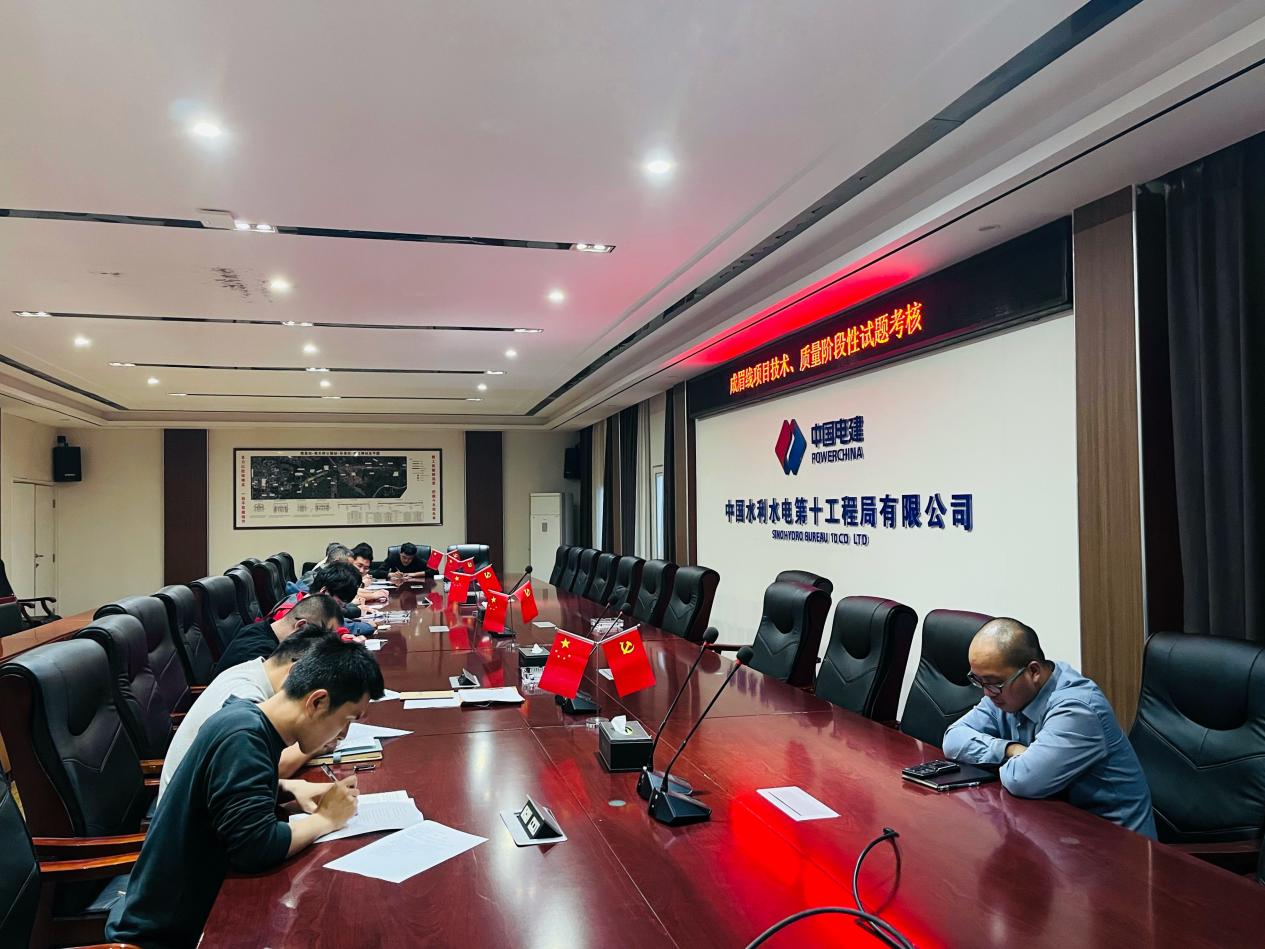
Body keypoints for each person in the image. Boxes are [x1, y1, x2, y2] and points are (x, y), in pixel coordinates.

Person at [106, 636, 385, 948]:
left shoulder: (246, 716)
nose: (343, 734)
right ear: (317, 702)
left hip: (193, 907)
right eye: (346, 720)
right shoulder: (243, 738)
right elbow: (256, 848)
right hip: (168, 933)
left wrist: (286, 793)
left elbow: (230, 793)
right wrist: (326, 819)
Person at [942, 617, 1156, 837]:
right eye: (979, 681)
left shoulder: (1077, 709)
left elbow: (1023, 780)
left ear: (1033, 671)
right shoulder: (1003, 693)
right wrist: (1009, 749)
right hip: (1055, 830)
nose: (986, 692)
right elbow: (953, 739)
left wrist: (997, 758)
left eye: (993, 682)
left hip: (1115, 844)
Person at [161, 628, 344, 801]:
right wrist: (318, 743)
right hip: (191, 811)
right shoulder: (244, 700)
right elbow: (269, 766)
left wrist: (291, 787)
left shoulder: (253, 669)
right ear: (296, 672)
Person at [211, 593, 343, 676]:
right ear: (302, 626)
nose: (325, 642)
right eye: (324, 635)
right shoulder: (260, 658)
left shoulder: (263, 628)